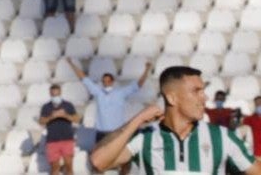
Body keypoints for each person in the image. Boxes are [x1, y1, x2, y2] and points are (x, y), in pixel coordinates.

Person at [90, 66, 259, 173]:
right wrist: (137, 120)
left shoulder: (222, 137)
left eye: (203, 91)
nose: (205, 97)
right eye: (196, 91)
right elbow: (99, 162)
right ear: (172, 98)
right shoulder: (145, 138)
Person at [69, 57, 151, 175]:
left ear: (112, 82)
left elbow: (138, 85)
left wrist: (147, 70)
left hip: (117, 132)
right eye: (104, 81)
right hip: (102, 133)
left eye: (108, 81)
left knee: (125, 160)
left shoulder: (120, 93)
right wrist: (71, 64)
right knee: (98, 163)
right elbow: (84, 79)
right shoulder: (98, 92)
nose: (106, 83)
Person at [40, 84, 80, 175]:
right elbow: (41, 121)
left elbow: (77, 119)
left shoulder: (68, 105)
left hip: (67, 139)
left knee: (69, 166)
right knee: (54, 168)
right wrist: (51, 117)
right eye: (53, 95)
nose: (55, 97)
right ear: (50, 94)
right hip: (52, 141)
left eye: (57, 95)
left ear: (60, 93)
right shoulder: (46, 107)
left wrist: (65, 115)